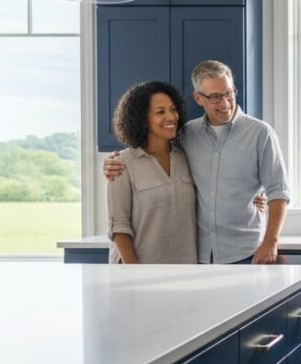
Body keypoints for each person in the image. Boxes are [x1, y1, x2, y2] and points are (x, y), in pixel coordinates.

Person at [106, 60, 290, 264]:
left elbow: (278, 190)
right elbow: (119, 221)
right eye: (215, 97)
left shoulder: (260, 133)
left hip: (246, 253)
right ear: (198, 98)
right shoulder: (187, 135)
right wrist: (110, 164)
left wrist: (270, 241)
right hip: (199, 258)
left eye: (229, 93)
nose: (225, 103)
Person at [107, 81, 197, 264]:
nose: (171, 117)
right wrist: (135, 271)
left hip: (186, 271)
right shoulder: (121, 164)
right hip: (138, 271)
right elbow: (119, 227)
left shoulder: (186, 157)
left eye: (173, 109)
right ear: (141, 119)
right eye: (160, 112)